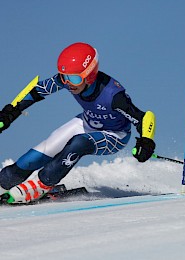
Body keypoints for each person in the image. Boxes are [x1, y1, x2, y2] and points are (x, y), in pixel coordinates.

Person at [0, 42, 156, 204]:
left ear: (89, 75)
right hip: (86, 122)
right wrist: (10, 112)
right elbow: (36, 90)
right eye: (63, 77)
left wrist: (146, 141)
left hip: (114, 135)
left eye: (73, 79)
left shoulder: (113, 96)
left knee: (79, 143)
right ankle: (5, 180)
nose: (67, 83)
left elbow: (144, 117)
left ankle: (41, 184)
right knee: (35, 156)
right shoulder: (69, 81)